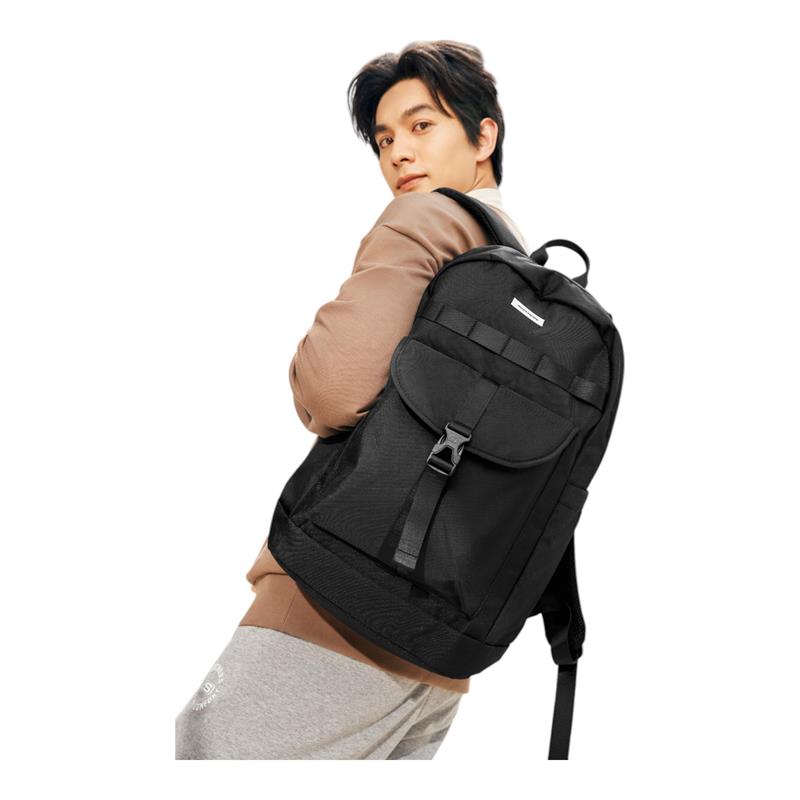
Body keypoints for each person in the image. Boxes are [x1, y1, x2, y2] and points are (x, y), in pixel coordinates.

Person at [175, 39, 530, 760]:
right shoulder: (522, 270)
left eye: (422, 125)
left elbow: (332, 391)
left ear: (484, 136)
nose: (400, 153)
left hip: (340, 600)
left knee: (206, 751)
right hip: (445, 647)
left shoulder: (426, 219)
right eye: (385, 139)